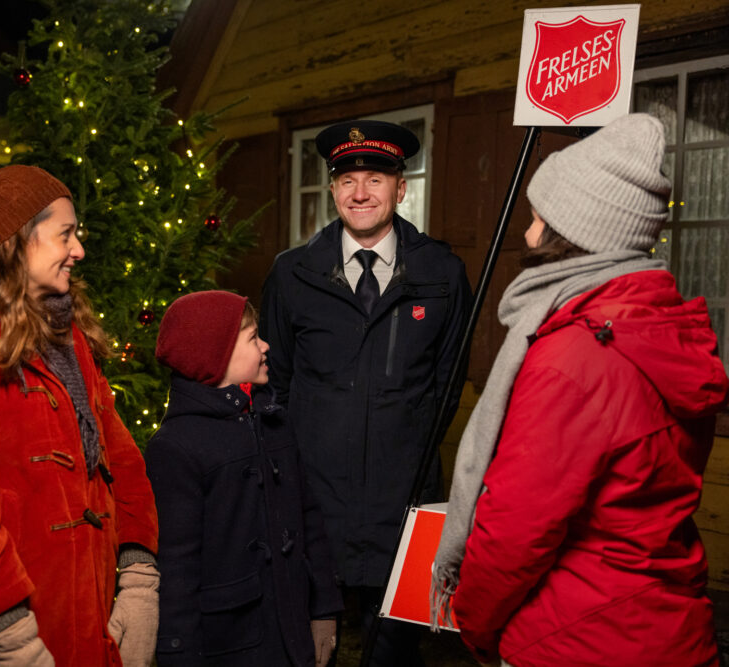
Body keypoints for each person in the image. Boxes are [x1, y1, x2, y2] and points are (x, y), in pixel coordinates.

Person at [432, 113, 727, 666]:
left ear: (575, 232)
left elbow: (515, 532)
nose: (526, 233)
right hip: (665, 626)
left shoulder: (573, 356)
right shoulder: (660, 325)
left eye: (539, 220)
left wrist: (472, 622)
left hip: (576, 638)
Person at [0, 164, 160, 667]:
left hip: (93, 615)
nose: (78, 250)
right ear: (17, 241)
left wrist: (138, 575)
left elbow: (122, 461)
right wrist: (12, 632)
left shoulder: (66, 333)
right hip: (25, 628)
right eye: (65, 234)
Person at [260, 119, 471, 664]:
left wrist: (402, 446)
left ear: (402, 188)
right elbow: (274, 380)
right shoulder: (292, 274)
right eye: (347, 179)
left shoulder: (442, 272)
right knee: (307, 646)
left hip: (403, 504)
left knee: (396, 650)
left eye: (375, 178)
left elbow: (447, 385)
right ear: (332, 189)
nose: (360, 193)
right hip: (314, 500)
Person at [145, 290, 343, 666]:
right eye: (253, 337)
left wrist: (324, 609)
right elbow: (177, 567)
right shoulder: (175, 447)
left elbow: (309, 520)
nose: (266, 345)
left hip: (294, 630)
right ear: (215, 354)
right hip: (233, 646)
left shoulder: (272, 420)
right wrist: (179, 654)